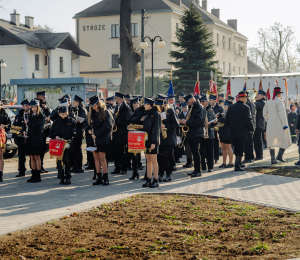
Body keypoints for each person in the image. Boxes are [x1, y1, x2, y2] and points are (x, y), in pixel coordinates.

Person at [86, 96, 113, 186]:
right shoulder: (91, 114)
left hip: (102, 139)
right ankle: (99, 177)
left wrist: (96, 133)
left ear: (99, 104)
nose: (94, 107)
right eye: (93, 106)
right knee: (96, 159)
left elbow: (107, 126)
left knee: (102, 158)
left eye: (95, 105)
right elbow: (87, 125)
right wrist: (88, 130)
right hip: (93, 139)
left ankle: (106, 177)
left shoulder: (106, 112)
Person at [225, 91, 254, 171]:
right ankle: (237, 165)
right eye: (245, 98)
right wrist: (252, 129)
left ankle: (238, 163)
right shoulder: (246, 107)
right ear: (242, 98)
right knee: (240, 148)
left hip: (233, 132)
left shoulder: (231, 107)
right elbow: (248, 120)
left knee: (236, 148)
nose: (246, 100)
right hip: (242, 132)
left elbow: (226, 120)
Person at [263, 87, 292, 164]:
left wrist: (268, 120)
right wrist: (285, 124)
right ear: (279, 94)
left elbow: (264, 113)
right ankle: (279, 155)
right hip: (279, 123)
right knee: (284, 139)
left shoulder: (268, 102)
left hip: (270, 123)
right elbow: (282, 114)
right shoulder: (280, 101)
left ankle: (273, 159)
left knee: (271, 141)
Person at [49, 106, 76, 185]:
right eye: (62, 114)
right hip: (58, 145)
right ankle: (61, 176)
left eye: (65, 114)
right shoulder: (56, 122)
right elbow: (51, 132)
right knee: (59, 161)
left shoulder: (71, 121)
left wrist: (66, 137)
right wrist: (55, 136)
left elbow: (74, 132)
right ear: (59, 114)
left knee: (66, 160)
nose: (64, 115)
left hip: (66, 143)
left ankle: (68, 176)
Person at [181, 94, 205, 177]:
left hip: (197, 133)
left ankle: (198, 171)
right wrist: (186, 120)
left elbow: (199, 121)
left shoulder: (199, 107)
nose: (187, 103)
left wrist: (186, 122)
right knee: (194, 152)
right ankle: (195, 170)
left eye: (188, 101)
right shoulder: (193, 107)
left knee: (196, 152)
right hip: (192, 133)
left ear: (192, 99)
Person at [156, 99, 179, 182]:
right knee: (159, 158)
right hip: (159, 138)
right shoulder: (156, 111)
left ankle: (168, 175)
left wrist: (165, 125)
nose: (158, 107)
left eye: (159, 105)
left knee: (166, 158)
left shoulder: (169, 110)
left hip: (168, 138)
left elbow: (176, 123)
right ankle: (160, 174)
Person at [23, 99, 45, 182]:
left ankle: (38, 176)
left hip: (37, 138)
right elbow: (26, 126)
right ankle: (33, 175)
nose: (34, 108)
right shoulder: (29, 115)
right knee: (31, 157)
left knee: (37, 157)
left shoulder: (41, 115)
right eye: (33, 107)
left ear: (38, 107)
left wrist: (28, 124)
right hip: (30, 138)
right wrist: (24, 131)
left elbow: (38, 126)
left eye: (35, 107)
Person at [142, 98, 161, 188]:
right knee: (148, 160)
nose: (144, 106)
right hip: (146, 140)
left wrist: (154, 142)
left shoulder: (156, 114)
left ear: (149, 105)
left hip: (153, 141)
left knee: (154, 160)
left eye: (145, 104)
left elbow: (156, 129)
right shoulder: (146, 114)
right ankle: (148, 179)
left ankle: (155, 180)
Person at [111, 92, 131, 175]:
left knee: (121, 151)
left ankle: (124, 168)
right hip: (116, 132)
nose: (115, 100)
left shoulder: (126, 108)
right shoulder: (117, 106)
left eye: (115, 98)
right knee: (115, 151)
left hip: (122, 132)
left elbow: (126, 120)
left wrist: (115, 121)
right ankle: (117, 167)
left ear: (119, 99)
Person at [200, 95, 217, 172]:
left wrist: (212, 123)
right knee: (201, 151)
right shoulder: (199, 110)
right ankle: (203, 166)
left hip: (210, 133)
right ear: (201, 102)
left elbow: (214, 121)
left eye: (207, 101)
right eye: (205, 102)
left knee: (210, 151)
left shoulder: (210, 110)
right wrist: (203, 123)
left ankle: (210, 167)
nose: (207, 103)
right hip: (201, 133)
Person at [14, 99, 30, 177]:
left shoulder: (32, 114)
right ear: (23, 107)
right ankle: (21, 171)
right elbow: (14, 127)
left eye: (28, 105)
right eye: (26, 106)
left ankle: (34, 171)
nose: (27, 107)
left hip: (30, 138)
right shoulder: (19, 115)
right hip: (21, 138)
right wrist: (16, 136)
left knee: (32, 155)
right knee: (21, 155)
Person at [36, 91, 51, 173]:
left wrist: (45, 107)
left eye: (45, 96)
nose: (44, 98)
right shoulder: (35, 104)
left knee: (42, 150)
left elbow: (49, 114)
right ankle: (35, 168)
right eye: (43, 96)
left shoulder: (45, 105)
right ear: (38, 96)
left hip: (44, 131)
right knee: (36, 151)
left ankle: (41, 166)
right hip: (37, 132)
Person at [72, 95, 88, 173]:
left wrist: (74, 119)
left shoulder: (82, 110)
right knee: (75, 149)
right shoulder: (75, 109)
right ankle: (76, 165)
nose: (72, 103)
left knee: (78, 149)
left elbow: (81, 121)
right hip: (75, 132)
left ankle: (80, 166)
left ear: (78, 102)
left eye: (74, 102)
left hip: (79, 132)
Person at [208, 93, 224, 163]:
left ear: (214, 100)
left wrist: (219, 116)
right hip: (209, 127)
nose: (209, 101)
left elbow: (223, 116)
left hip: (217, 128)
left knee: (216, 144)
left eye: (210, 100)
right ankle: (208, 158)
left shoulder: (219, 107)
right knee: (209, 144)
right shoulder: (208, 107)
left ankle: (216, 158)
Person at [219, 100, 233, 168]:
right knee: (223, 148)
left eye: (225, 106)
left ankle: (231, 163)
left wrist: (220, 118)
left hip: (228, 132)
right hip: (223, 131)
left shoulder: (231, 113)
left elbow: (226, 121)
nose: (224, 107)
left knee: (229, 148)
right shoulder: (224, 113)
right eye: (224, 106)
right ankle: (224, 163)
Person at [178, 103, 193, 168]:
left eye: (185, 107)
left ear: (187, 108)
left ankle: (190, 162)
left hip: (189, 133)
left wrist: (186, 122)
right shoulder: (179, 115)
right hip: (182, 133)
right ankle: (188, 161)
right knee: (185, 149)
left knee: (188, 148)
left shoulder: (190, 114)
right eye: (183, 107)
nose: (184, 109)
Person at [254, 90, 266, 160]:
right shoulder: (259, 102)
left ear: (262, 96)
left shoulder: (263, 102)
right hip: (257, 123)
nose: (257, 96)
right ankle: (258, 155)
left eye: (258, 95)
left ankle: (259, 155)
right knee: (256, 140)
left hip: (259, 124)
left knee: (258, 140)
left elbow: (257, 105)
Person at [243, 93, 256, 163]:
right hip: (245, 127)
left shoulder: (251, 104)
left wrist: (252, 127)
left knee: (250, 143)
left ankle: (251, 157)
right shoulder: (244, 104)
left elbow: (253, 116)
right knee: (245, 143)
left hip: (250, 126)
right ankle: (246, 158)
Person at [0, 102, 11, 182]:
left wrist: (4, 126)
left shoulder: (4, 113)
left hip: (1, 137)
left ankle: (0, 174)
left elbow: (9, 125)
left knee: (0, 155)